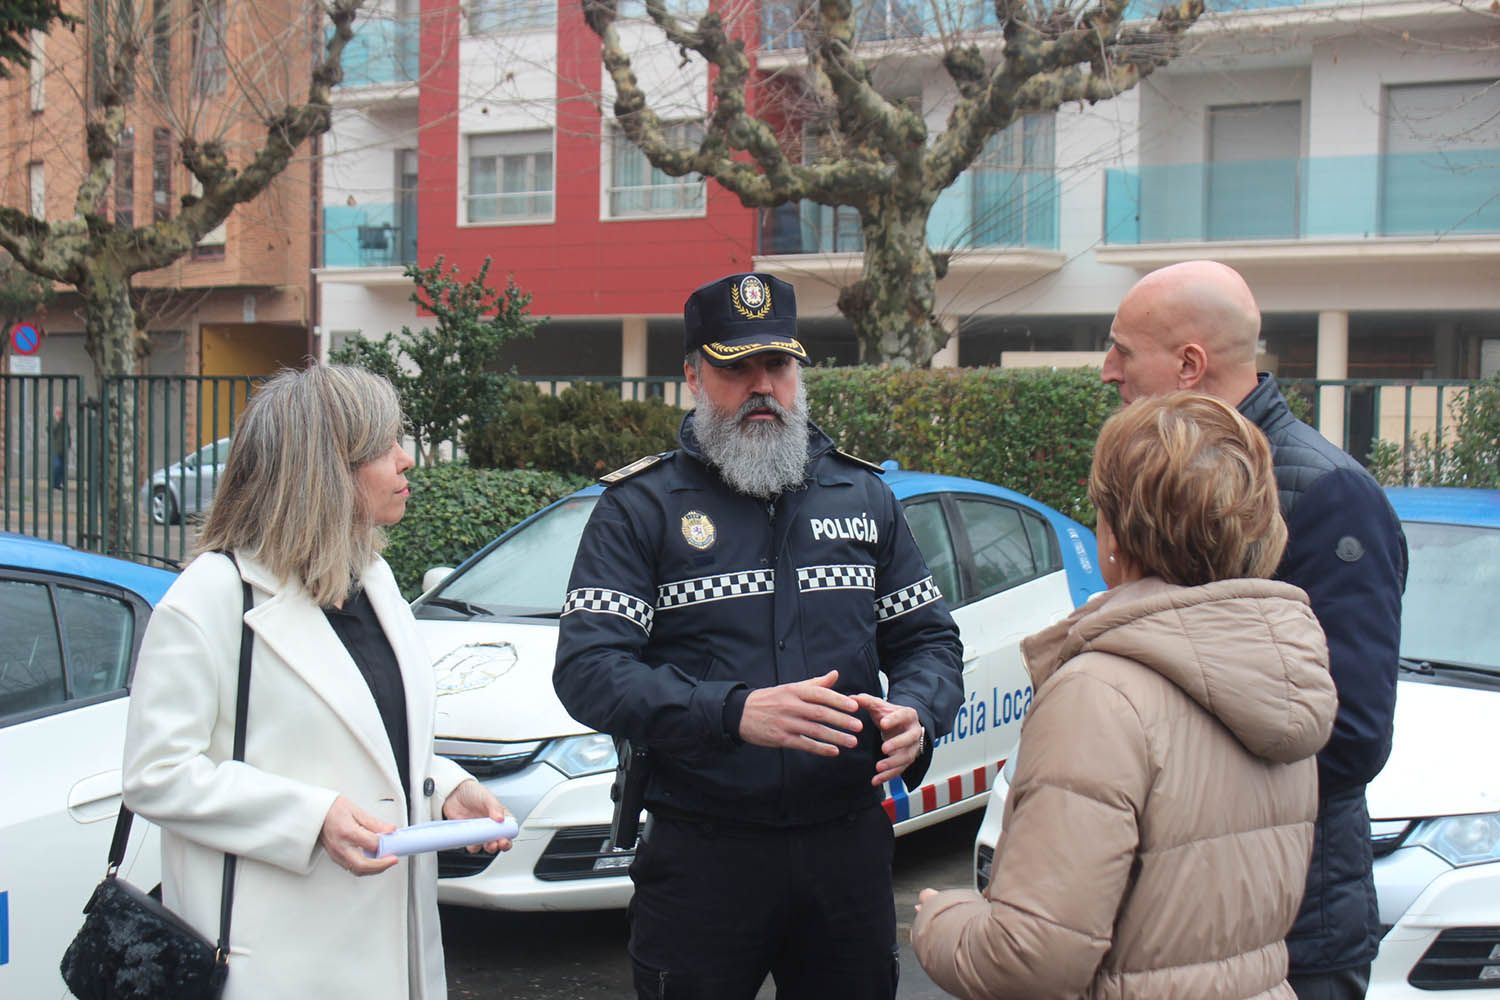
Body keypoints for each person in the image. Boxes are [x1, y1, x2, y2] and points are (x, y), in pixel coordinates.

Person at [553, 271, 964, 999]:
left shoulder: (863, 495)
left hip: (847, 847)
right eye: (735, 367)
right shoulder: (639, 507)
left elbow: (929, 640)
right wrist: (733, 711)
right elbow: (589, 668)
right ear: (691, 375)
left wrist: (920, 713)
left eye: (776, 365)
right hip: (704, 855)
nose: (761, 386)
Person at [912, 391, 1339, 999]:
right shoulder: (1282, 670)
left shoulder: (1099, 695)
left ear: (1116, 535)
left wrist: (939, 920)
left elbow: (1031, 959)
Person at [122, 365, 512, 1000]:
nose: (406, 459)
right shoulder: (212, 597)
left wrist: (446, 790)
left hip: (398, 953)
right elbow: (156, 773)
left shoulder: (375, 578)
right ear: (327, 468)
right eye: (385, 446)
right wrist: (310, 818)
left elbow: (376, 744)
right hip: (273, 964)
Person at [1100, 261, 1408, 999]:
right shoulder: (1167, 478)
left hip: (1293, 930)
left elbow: (1353, 732)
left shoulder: (1328, 495)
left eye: (1122, 350)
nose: (1108, 371)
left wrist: (1164, 777)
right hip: (1190, 916)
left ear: (1188, 364)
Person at [48, 404, 68, 489]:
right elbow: (52, 431)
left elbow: (68, 432)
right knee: (56, 466)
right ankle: (55, 484)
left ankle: (60, 484)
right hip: (55, 449)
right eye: (57, 412)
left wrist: (69, 444)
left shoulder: (64, 422)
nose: (59, 414)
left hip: (63, 449)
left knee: (62, 468)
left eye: (60, 412)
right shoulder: (52, 421)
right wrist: (57, 421)